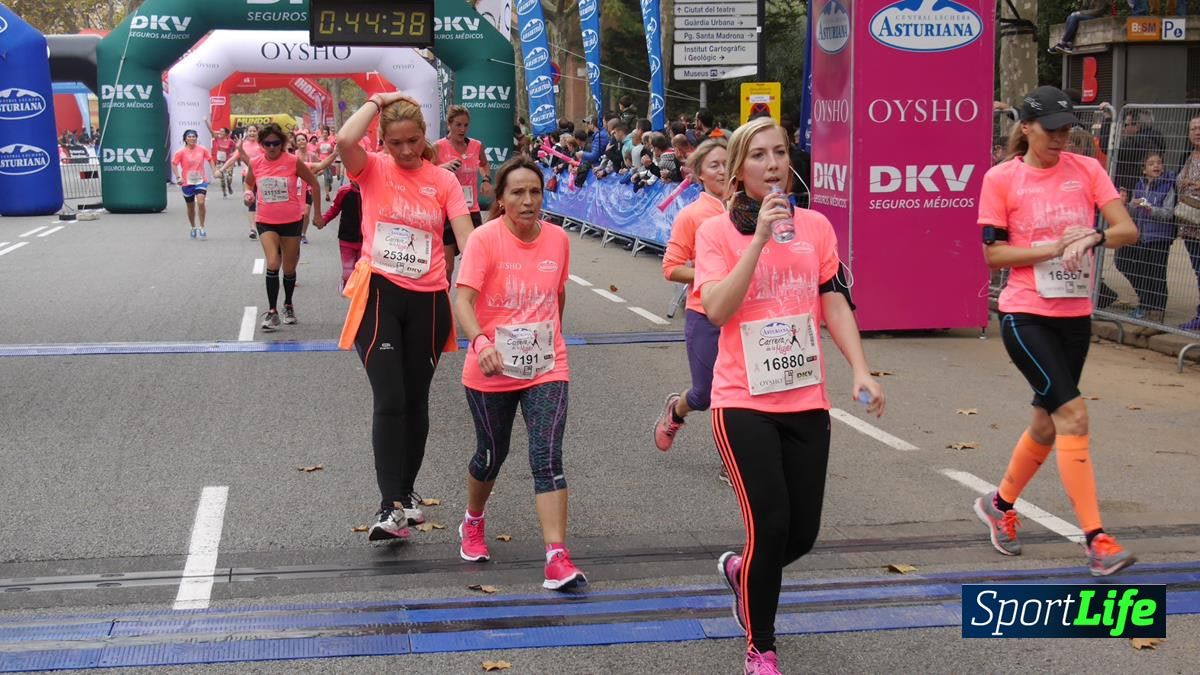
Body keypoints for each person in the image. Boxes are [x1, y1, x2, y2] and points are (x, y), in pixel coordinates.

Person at [693, 117, 885, 674]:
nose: (773, 164)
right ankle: (761, 648)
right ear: (738, 169)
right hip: (742, 401)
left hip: (805, 398)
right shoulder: (716, 233)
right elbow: (720, 309)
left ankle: (742, 572)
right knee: (770, 524)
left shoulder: (818, 227)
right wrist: (755, 241)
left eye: (780, 153)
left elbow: (832, 302)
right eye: (759, 156)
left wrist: (862, 370)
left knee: (801, 534)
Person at [974, 86, 1139, 578]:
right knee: (1073, 415)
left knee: (1047, 424)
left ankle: (999, 504)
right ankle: (1097, 540)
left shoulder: (1086, 170)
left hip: (1074, 317)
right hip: (1025, 315)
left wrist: (1096, 235)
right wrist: (1051, 247)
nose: (1062, 137)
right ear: (1026, 127)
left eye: (1068, 128)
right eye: (1052, 129)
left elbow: (1126, 228)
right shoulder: (1002, 178)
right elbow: (993, 255)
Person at [336, 92, 475, 541]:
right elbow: (343, 138)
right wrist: (378, 101)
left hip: (429, 300)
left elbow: (467, 238)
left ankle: (407, 495)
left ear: (424, 137)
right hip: (380, 294)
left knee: (416, 401)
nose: (406, 151)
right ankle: (389, 505)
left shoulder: (443, 181)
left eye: (413, 141)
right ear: (384, 142)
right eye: (396, 143)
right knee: (390, 398)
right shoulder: (371, 168)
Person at [451, 157, 586, 590]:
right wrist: (481, 342)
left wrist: (553, 341)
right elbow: (463, 302)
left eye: (534, 192)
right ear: (502, 198)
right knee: (491, 454)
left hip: (546, 365)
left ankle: (556, 557)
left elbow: (557, 296)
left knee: (547, 458)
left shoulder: (559, 240)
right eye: (517, 193)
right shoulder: (484, 241)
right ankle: (473, 520)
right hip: (490, 365)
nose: (528, 201)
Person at [655, 139, 729, 455]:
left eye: (728, 162)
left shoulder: (751, 207)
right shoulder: (692, 216)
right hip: (705, 311)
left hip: (746, 313)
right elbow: (671, 269)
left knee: (744, 391)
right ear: (699, 174)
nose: (724, 171)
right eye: (714, 165)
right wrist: (712, 277)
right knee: (706, 394)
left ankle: (735, 460)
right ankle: (676, 410)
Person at [237, 123, 324, 331]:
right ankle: (272, 311)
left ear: (283, 143)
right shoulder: (256, 163)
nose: (272, 147)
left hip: (292, 220)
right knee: (273, 262)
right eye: (267, 143)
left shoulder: (293, 162)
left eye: (276, 143)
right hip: (265, 220)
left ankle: (288, 304)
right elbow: (249, 183)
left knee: (289, 267)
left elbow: (314, 184)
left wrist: (318, 214)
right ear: (261, 144)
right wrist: (247, 193)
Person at [434, 105, 494, 282]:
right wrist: (442, 168)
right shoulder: (438, 147)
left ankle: (474, 304)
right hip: (446, 211)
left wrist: (485, 179)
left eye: (466, 125)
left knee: (475, 262)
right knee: (447, 266)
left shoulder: (476, 146)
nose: (462, 129)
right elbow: (425, 171)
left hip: (470, 210)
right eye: (458, 124)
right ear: (449, 124)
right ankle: (442, 307)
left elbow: (484, 164)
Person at [1116, 152, 1176, 321]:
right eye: (1151, 164)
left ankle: (1158, 309)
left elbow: (1168, 212)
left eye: (1158, 163)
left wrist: (1151, 209)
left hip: (1159, 237)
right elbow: (1134, 210)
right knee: (1143, 271)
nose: (1156, 166)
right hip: (1143, 236)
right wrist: (1130, 205)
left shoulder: (1167, 186)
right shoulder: (1140, 185)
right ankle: (1146, 304)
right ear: (1144, 170)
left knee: (1157, 273)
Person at [1174, 115, 1200, 331]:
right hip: (1190, 226)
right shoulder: (1188, 155)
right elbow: (1179, 183)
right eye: (1193, 128)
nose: (1197, 132)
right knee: (1197, 272)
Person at [170, 129, 215, 240]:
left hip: (200, 181)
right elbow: (174, 164)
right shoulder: (181, 152)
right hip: (187, 183)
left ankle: (202, 227)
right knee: (190, 208)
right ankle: (193, 227)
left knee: (200, 202)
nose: (192, 138)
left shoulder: (202, 149)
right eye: (189, 136)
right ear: (185, 139)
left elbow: (210, 159)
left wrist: (214, 170)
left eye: (194, 136)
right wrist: (178, 177)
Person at [222, 124, 263, 240]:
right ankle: (253, 228)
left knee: (263, 201)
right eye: (250, 131)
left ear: (257, 132)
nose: (252, 133)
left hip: (262, 176)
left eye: (254, 131)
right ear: (246, 132)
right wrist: (221, 169)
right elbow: (233, 158)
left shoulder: (262, 145)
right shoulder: (243, 145)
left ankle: (264, 224)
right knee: (250, 201)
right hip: (247, 177)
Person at [323, 177, 363, 292]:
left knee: (362, 271)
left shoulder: (372, 191)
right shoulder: (344, 191)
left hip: (366, 239)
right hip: (347, 238)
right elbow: (334, 209)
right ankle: (345, 281)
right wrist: (323, 220)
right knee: (348, 271)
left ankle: (358, 297)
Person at [1049, 0, 1113, 54]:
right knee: (1069, 17)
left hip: (1101, 17)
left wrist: (1080, 12)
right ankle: (1068, 45)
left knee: (1074, 17)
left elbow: (1098, 11)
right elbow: (1085, 10)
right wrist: (1080, 3)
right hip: (1093, 16)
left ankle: (1063, 43)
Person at [209, 126, 237, 198]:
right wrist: (206, 121)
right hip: (219, 162)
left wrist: (233, 154)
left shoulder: (230, 141)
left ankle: (229, 186)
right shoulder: (217, 139)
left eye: (222, 131)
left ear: (226, 133)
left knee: (229, 178)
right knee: (222, 179)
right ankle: (224, 192)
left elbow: (235, 148)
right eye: (220, 131)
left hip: (228, 162)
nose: (220, 132)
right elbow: (211, 131)